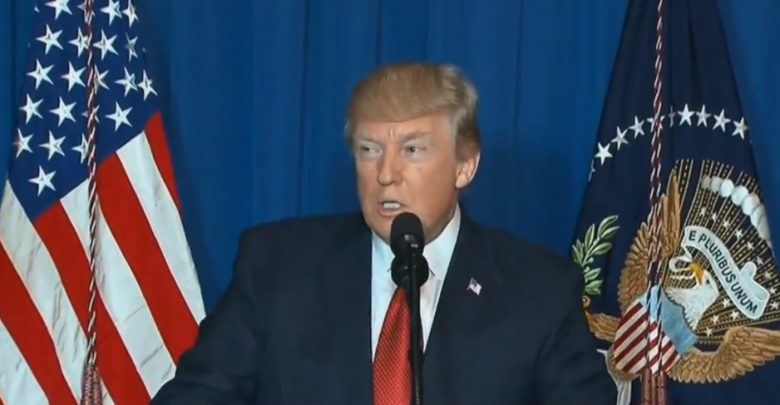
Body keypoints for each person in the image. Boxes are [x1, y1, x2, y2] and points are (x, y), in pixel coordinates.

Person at [152, 62, 616, 404]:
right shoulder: (277, 268)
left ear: (465, 165)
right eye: (369, 149)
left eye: (412, 150)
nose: (386, 173)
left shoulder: (540, 292)